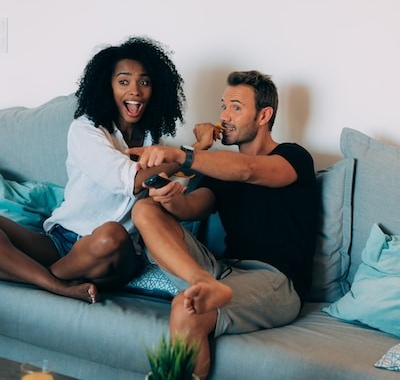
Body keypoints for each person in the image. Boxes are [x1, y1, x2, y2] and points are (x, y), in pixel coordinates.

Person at [0, 36, 186, 304]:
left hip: (114, 256)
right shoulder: (86, 130)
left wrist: (189, 156)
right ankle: (55, 284)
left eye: (145, 82)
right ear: (107, 87)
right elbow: (131, 180)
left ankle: (25, 276)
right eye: (124, 81)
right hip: (62, 242)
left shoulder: (156, 144)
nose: (135, 90)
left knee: (111, 234)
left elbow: (172, 191)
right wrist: (185, 157)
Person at [128, 70, 318, 379]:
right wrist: (166, 196)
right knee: (146, 210)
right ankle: (202, 281)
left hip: (276, 282)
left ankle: (203, 288)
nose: (224, 116)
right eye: (223, 106)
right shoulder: (222, 174)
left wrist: (183, 154)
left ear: (264, 115)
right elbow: (189, 208)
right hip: (222, 272)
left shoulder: (294, 157)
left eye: (236, 107)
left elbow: (248, 170)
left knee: (187, 309)